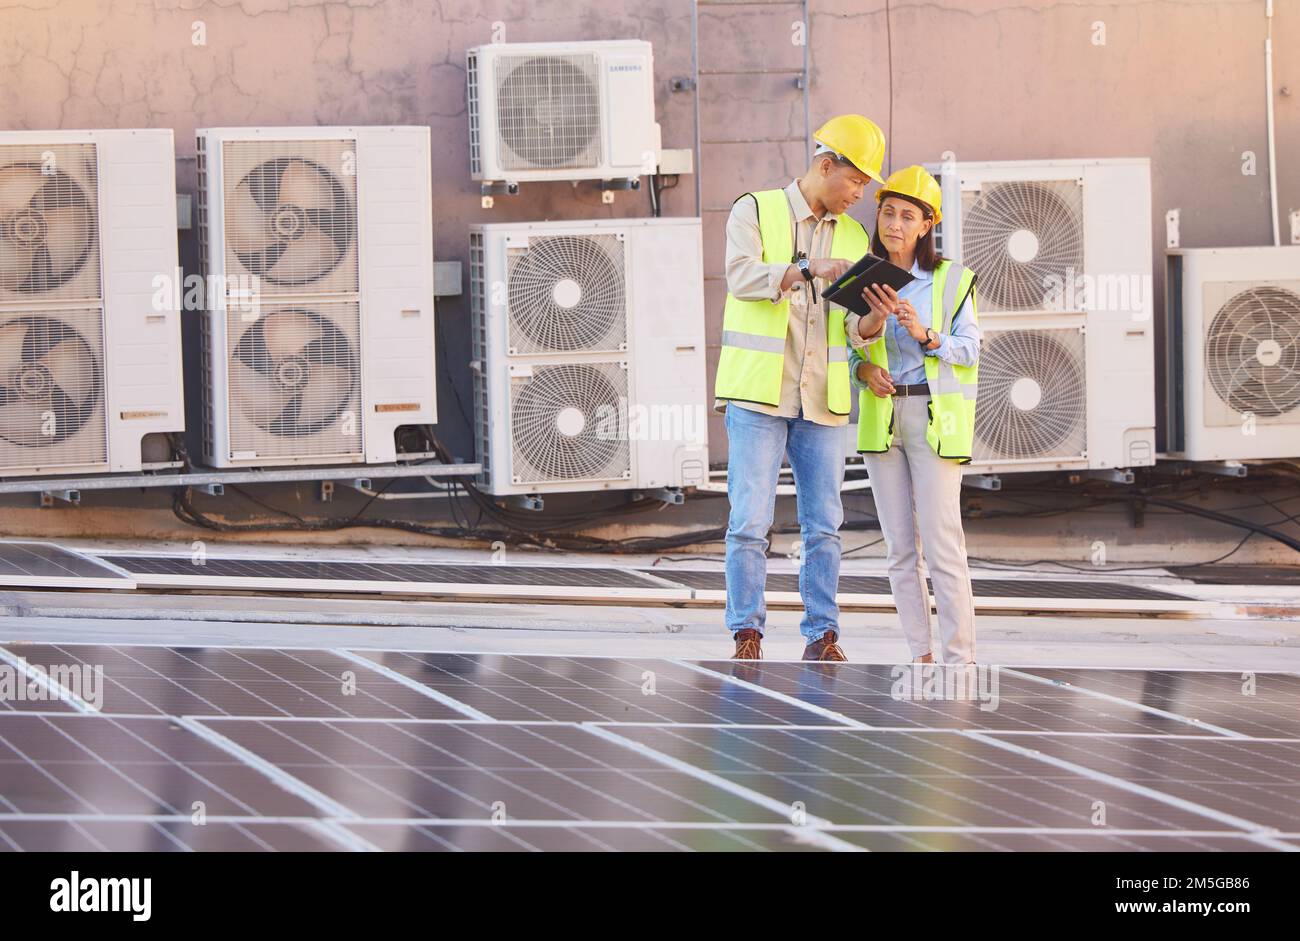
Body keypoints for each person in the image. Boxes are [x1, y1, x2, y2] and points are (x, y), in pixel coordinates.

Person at [715, 114, 889, 662]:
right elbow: (741, 277)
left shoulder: (857, 236)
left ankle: (823, 635)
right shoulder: (755, 210)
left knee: (825, 526)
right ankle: (747, 631)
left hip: (823, 401)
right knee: (750, 522)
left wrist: (875, 321)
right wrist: (806, 269)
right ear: (825, 164)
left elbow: (850, 329)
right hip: (758, 396)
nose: (861, 195)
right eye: (856, 181)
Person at [846, 165, 982, 664]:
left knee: (944, 546)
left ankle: (959, 659)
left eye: (908, 215)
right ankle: (920, 655)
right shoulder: (862, 276)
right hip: (883, 417)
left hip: (933, 418)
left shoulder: (951, 280)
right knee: (900, 550)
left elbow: (970, 350)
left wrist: (927, 336)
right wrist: (866, 365)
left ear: (927, 225)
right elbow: (849, 351)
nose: (895, 224)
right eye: (887, 212)